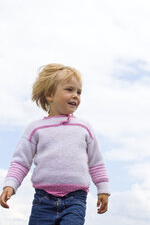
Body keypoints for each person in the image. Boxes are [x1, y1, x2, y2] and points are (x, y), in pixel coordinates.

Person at [0, 63, 110, 225]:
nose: (75, 95)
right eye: (69, 89)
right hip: (43, 200)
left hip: (75, 200)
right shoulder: (35, 128)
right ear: (50, 95)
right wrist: (10, 184)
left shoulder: (84, 128)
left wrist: (103, 189)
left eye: (79, 91)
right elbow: (21, 161)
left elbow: (96, 162)